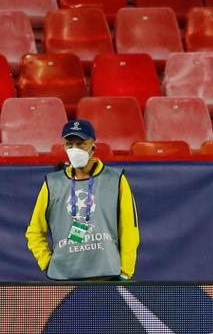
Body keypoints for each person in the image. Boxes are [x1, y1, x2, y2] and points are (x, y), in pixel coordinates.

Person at [25, 119, 140, 281]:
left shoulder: (115, 179)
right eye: (69, 145)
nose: (74, 150)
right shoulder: (52, 183)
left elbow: (129, 227)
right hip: (64, 277)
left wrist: (126, 270)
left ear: (93, 146)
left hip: (106, 275)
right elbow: (34, 230)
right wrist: (48, 262)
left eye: (81, 144)